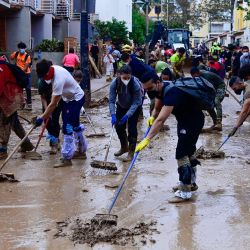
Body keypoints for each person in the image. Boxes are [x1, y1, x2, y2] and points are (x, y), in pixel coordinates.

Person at [136, 71, 204, 202]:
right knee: (188, 152)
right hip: (184, 121)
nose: (148, 91)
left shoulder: (172, 92)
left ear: (158, 82)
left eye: (150, 88)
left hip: (192, 122)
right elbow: (157, 106)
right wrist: (152, 116)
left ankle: (185, 192)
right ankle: (191, 183)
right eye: (146, 89)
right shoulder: (161, 89)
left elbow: (161, 120)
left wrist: (147, 139)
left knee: (181, 154)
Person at [36, 59, 86, 168]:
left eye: (44, 76)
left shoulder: (58, 79)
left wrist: (42, 117)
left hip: (76, 99)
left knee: (67, 127)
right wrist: (45, 115)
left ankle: (67, 159)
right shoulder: (54, 69)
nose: (44, 79)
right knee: (75, 125)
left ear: (48, 72)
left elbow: (53, 103)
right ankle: (82, 151)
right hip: (68, 99)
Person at [0, 56, 34, 159]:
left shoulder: (1, 68)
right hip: (12, 98)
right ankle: (26, 144)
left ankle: (3, 150)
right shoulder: (5, 67)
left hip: (9, 99)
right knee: (15, 123)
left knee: (4, 123)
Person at [109, 65, 142, 161]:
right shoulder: (114, 83)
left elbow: (137, 101)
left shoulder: (135, 84)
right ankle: (124, 147)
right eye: (124, 78)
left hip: (134, 107)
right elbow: (111, 100)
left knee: (132, 128)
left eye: (128, 77)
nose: (126, 80)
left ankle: (131, 152)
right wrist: (113, 114)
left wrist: (128, 115)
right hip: (121, 105)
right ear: (119, 75)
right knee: (118, 126)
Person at [191, 67, 225, 131]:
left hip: (220, 86)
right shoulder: (199, 75)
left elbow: (211, 88)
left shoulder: (207, 76)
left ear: (197, 73)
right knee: (208, 104)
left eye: (195, 76)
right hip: (212, 87)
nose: (195, 78)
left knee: (216, 100)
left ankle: (219, 122)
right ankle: (215, 122)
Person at [38, 72, 62, 155]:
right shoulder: (41, 83)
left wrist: (54, 106)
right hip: (47, 103)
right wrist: (46, 110)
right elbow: (43, 98)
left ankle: (53, 145)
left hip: (57, 102)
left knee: (54, 122)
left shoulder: (57, 80)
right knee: (47, 123)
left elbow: (60, 94)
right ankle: (55, 139)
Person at [228, 65, 250, 137]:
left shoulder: (247, 92)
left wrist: (235, 127)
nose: (235, 91)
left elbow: (244, 111)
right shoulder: (247, 84)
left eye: (235, 88)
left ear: (240, 83)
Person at [11, 42, 32, 110]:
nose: (21, 49)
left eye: (23, 48)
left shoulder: (27, 56)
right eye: (20, 48)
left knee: (28, 88)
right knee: (19, 89)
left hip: (26, 74)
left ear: (25, 48)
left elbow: (26, 67)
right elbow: (11, 58)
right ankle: (21, 103)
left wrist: (18, 71)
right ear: (18, 48)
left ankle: (29, 103)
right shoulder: (16, 53)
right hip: (18, 73)